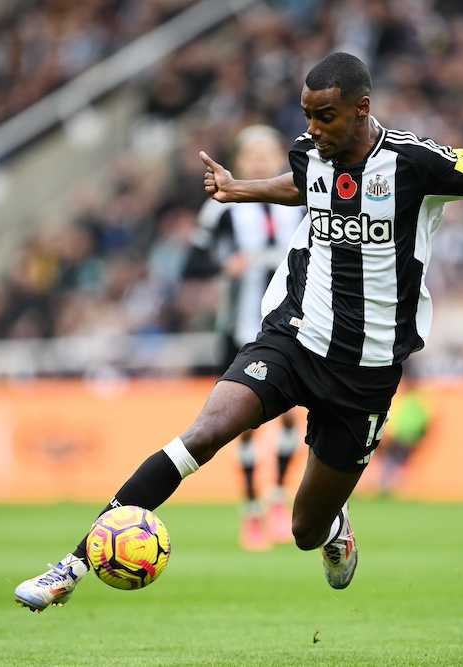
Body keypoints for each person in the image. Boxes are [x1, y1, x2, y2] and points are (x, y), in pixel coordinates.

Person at [14, 51, 463, 612]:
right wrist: (239, 189)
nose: (313, 128)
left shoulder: (418, 161)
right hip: (294, 336)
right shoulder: (312, 154)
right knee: (204, 434)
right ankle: (71, 566)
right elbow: (300, 185)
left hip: (368, 370)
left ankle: (333, 529)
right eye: (307, 114)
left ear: (362, 109)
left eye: (326, 116)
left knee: (304, 528)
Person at [181, 124, 304, 550]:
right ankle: (251, 506)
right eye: (251, 153)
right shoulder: (222, 208)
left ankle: (277, 497)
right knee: (246, 422)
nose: (259, 159)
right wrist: (222, 268)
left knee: (291, 415)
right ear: (239, 158)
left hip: (294, 324)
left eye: (267, 152)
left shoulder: (302, 201)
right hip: (240, 328)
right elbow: (190, 265)